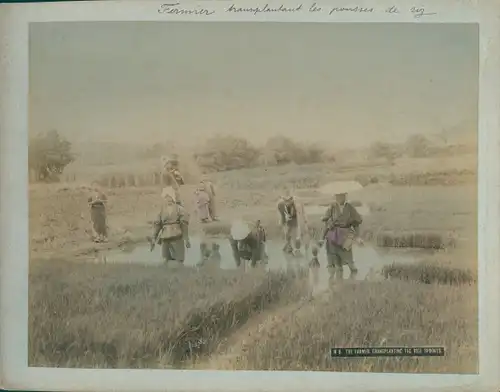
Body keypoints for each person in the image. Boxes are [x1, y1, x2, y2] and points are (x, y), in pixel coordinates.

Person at [321, 190, 363, 282]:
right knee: (337, 264)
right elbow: (325, 220)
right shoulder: (332, 207)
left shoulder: (350, 208)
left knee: (350, 262)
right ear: (335, 197)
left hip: (346, 235)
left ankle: (354, 280)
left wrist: (358, 237)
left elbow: (356, 222)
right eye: (338, 196)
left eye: (342, 196)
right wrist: (327, 228)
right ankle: (338, 284)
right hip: (333, 236)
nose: (340, 198)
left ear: (345, 196)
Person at [151, 186, 191, 265]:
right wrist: (153, 238)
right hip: (165, 237)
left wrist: (186, 239)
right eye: (166, 197)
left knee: (179, 259)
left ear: (173, 198)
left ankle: (179, 272)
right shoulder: (161, 210)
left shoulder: (179, 209)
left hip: (177, 236)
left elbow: (184, 225)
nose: (168, 199)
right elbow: (157, 225)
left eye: (170, 197)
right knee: (165, 258)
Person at [277, 190, 307, 255]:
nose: (288, 202)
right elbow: (283, 215)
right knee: (288, 233)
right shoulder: (281, 204)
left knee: (293, 234)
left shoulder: (295, 203)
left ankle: (292, 248)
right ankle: (289, 247)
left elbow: (299, 212)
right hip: (287, 220)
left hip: (293, 220)